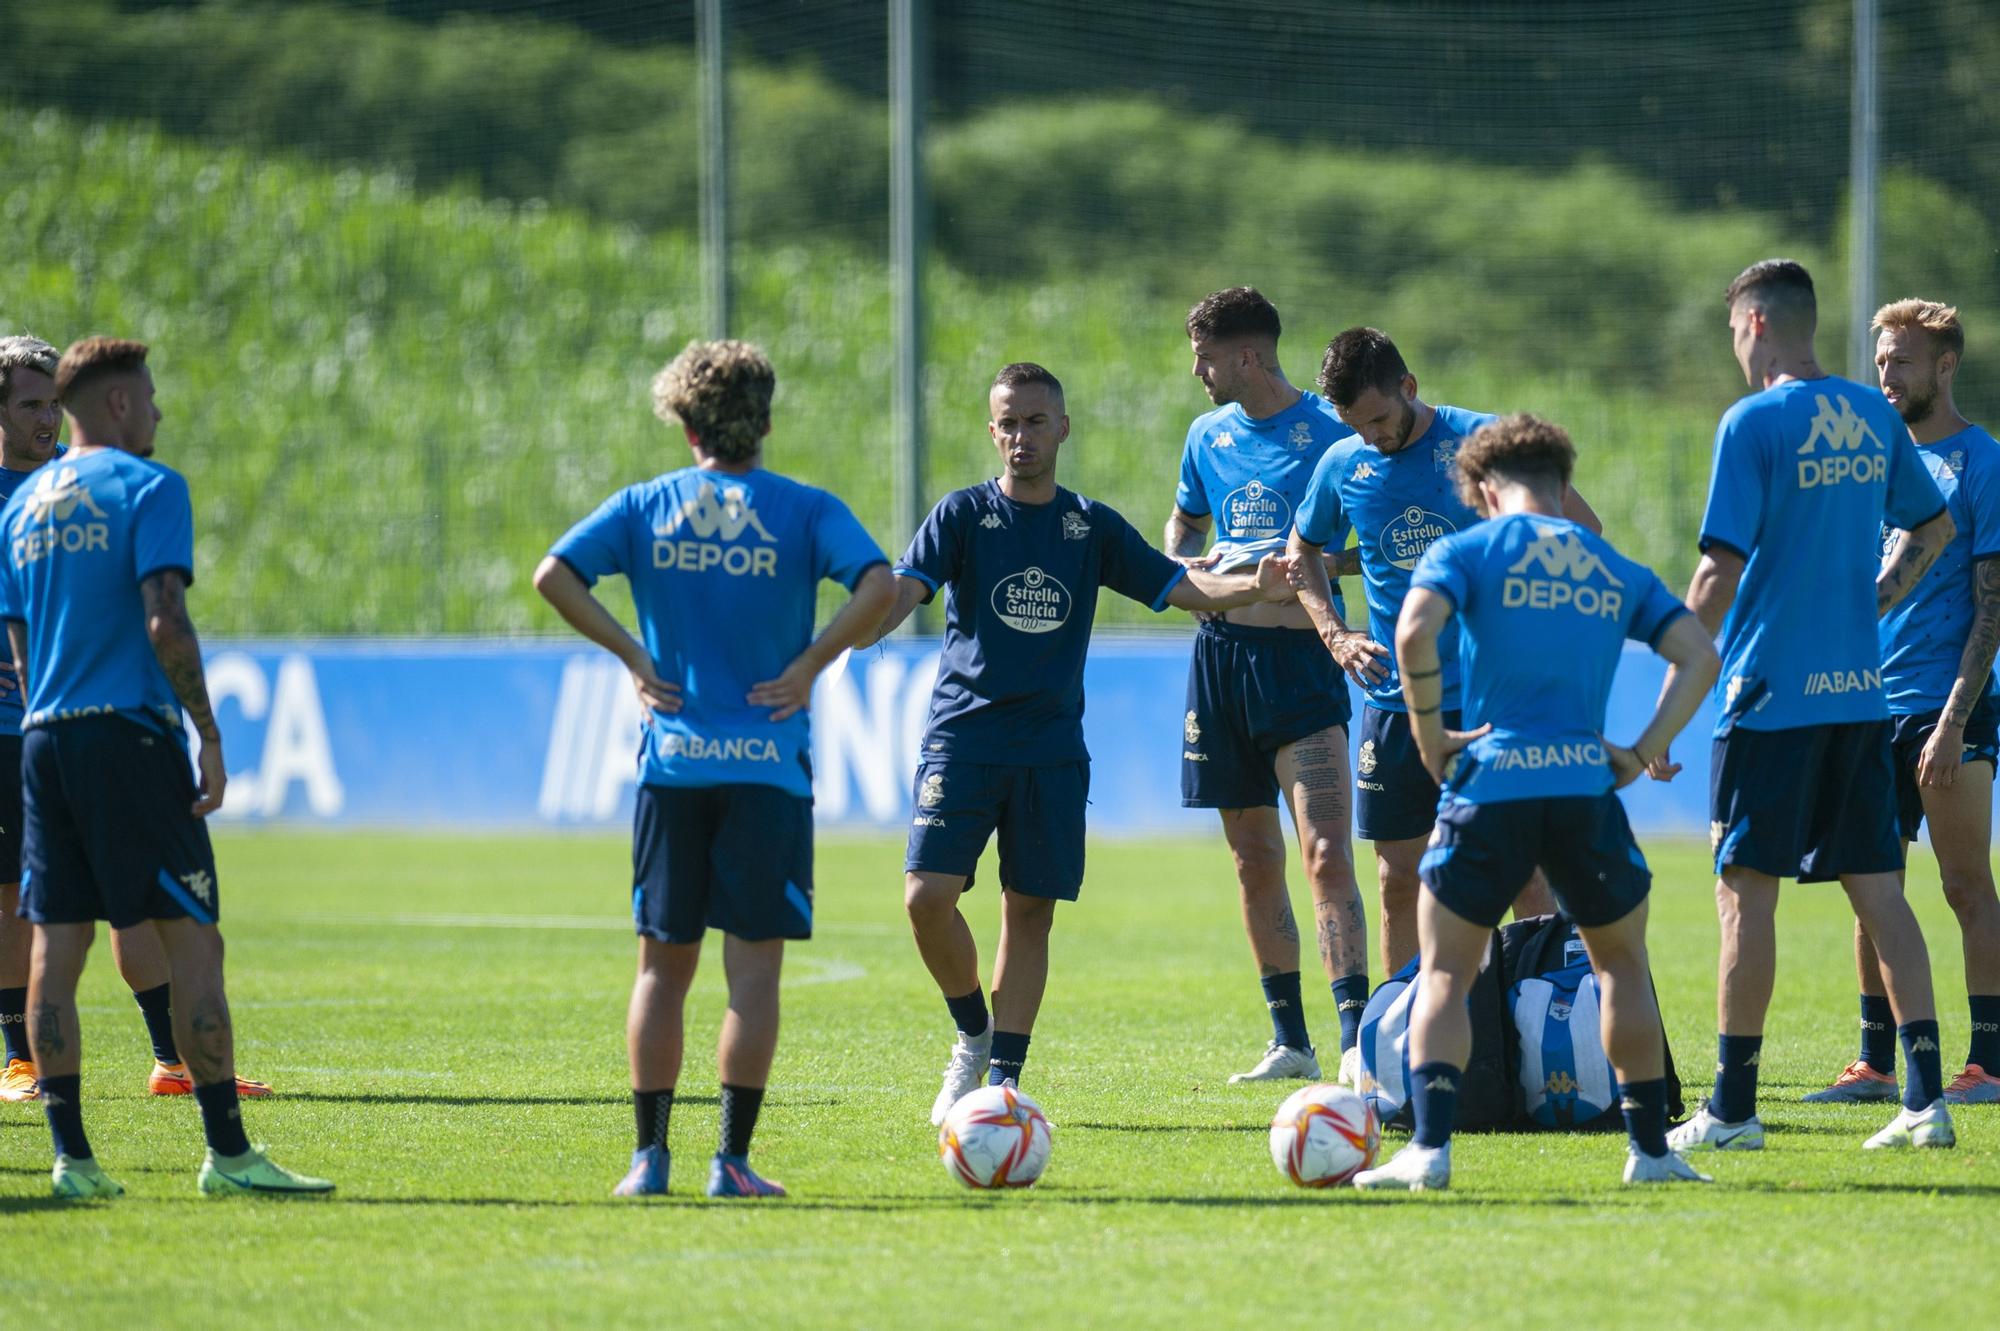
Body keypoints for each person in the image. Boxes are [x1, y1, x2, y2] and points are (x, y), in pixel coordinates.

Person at [872, 363, 1299, 1125]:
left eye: (1036, 421)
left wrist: (1258, 588)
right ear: (992, 428)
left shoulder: (1089, 526)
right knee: (925, 898)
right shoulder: (964, 515)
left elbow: (1179, 585)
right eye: (1007, 422)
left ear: (1062, 427)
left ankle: (1002, 1080)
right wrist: (869, 615)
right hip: (963, 740)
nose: (1020, 436)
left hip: (1051, 751)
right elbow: (909, 586)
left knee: (1028, 912)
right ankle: (971, 1033)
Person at [536, 339, 894, 1198]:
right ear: (764, 422)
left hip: (676, 764)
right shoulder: (803, 510)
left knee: (662, 968)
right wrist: (809, 666)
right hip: (768, 768)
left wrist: (630, 653)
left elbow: (554, 574)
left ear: (686, 425)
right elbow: (878, 584)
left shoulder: (647, 505)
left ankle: (646, 1159)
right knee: (754, 973)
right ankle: (730, 1161)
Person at [1346, 414, 1717, 1191]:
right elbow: (1697, 655)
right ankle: (1649, 1151)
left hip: (1491, 780)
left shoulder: (1466, 549)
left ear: (1483, 488)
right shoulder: (1610, 564)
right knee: (1620, 967)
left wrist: (1428, 733)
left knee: (1448, 971)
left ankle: (1431, 1151)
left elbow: (1414, 631)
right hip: (1584, 783)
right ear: (1559, 481)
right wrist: (1640, 749)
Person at [3, 337, 327, 1198]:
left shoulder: (23, 506)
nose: (158, 411)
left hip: (43, 736)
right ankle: (228, 1154)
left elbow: (23, 643)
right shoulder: (151, 487)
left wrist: (47, 722)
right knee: (195, 942)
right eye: (147, 396)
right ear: (115, 404)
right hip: (130, 736)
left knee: (55, 953)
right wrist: (208, 732)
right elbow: (165, 620)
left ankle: (72, 1161)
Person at [1655, 260, 1959, 1152]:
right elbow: (1932, 526)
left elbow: (1717, 571)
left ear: (1750, 326)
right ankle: (1926, 1100)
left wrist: (1663, 661)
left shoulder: (1753, 421)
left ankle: (1734, 1109)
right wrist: (1872, 599)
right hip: (1858, 696)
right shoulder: (1870, 413)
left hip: (1769, 697)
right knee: (1881, 893)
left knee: (1745, 895)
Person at [1287, 328, 1595, 975]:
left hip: (1493, 699)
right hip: (1396, 702)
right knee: (1399, 875)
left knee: (1522, 872)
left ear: (1409, 387)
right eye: (1355, 425)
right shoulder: (1345, 463)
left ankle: (1539, 1025)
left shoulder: (1483, 445)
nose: (1371, 436)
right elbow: (1303, 551)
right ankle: (1404, 1038)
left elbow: (1581, 529)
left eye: (1378, 419)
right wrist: (1335, 634)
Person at [1163, 288, 1372, 1087]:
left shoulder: (1330, 431)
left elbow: (1369, 543)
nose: (1197, 370)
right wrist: (1193, 563)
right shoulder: (1204, 436)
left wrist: (1306, 575)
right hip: (1221, 659)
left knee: (1324, 850)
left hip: (1301, 663)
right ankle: (1292, 1038)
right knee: (1254, 858)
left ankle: (1354, 1037)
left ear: (1245, 356)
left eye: (1206, 356)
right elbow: (1180, 527)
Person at [1804, 299, 2000, 1107]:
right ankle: (1875, 1063)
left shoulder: (1981, 460)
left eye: (1902, 362)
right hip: (1865, 704)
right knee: (1870, 881)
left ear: (1944, 365)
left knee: (1962, 883)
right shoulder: (1868, 459)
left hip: (1945, 707)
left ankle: (1987, 1064)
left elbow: (1992, 607)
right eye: (1880, 360)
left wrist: (1954, 720)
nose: (1886, 374)